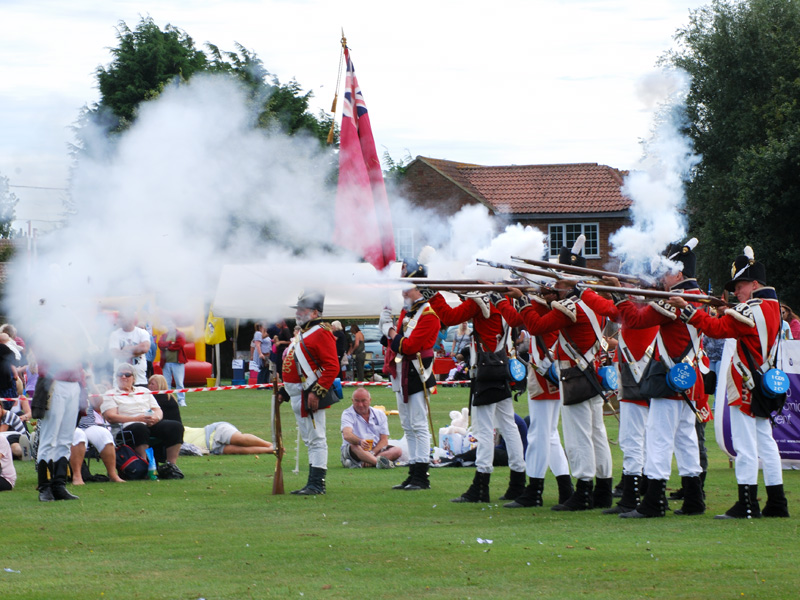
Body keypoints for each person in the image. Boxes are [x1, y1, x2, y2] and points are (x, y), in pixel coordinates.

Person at [495, 235, 618, 511]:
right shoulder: (592, 303)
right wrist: (543, 298)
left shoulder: (570, 306)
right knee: (596, 432)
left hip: (576, 376)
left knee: (579, 436)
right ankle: (603, 489)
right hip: (592, 375)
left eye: (559, 283)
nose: (555, 287)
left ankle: (584, 489)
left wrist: (526, 301)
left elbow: (537, 326)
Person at [669, 246, 789, 518]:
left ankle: (747, 504)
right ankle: (777, 503)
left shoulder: (750, 310)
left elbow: (716, 329)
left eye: (741, 285)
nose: (737, 291)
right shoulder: (770, 306)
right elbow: (740, 321)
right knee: (766, 443)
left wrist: (688, 310)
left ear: (755, 283)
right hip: (762, 383)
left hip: (747, 385)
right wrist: (727, 309)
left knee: (745, 447)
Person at [608, 238, 708, 519]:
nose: (661, 278)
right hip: (687, 379)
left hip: (669, 377)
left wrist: (622, 296)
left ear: (678, 273)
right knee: (685, 439)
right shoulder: (695, 295)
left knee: (659, 438)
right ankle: (693, 499)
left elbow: (637, 321)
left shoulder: (676, 300)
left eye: (666, 272)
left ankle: (654, 502)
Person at [427, 285, 525, 505]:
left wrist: (433, 296)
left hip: (486, 369)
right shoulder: (504, 300)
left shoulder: (482, 299)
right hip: (500, 365)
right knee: (508, 426)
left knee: (483, 429)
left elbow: (450, 317)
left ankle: (481, 485)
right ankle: (518, 482)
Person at [495, 286, 574, 509]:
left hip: (544, 373)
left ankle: (535, 489)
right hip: (552, 371)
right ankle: (565, 488)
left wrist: (503, 301)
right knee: (549, 434)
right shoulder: (552, 304)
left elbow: (515, 320)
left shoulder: (540, 305)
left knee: (539, 434)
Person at [382, 253, 440, 491]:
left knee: (418, 425)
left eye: (408, 288)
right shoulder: (408, 313)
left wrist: (390, 332)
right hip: (402, 372)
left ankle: (421, 475)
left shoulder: (428, 315)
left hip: (417, 374)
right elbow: (396, 344)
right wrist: (389, 331)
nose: (404, 293)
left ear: (419, 289)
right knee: (407, 425)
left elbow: (408, 346)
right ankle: (413, 472)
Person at [281, 291, 339, 495]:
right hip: (298, 394)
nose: (298, 312)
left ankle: (317, 483)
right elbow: (296, 366)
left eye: (302, 309)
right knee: (310, 440)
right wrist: (284, 391)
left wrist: (317, 392)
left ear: (315, 313)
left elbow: (332, 367)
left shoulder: (321, 332)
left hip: (309, 393)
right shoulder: (303, 333)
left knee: (317, 438)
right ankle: (312, 483)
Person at [101, 363, 185, 480]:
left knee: (175, 426)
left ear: (134, 378)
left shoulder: (143, 390)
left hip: (149, 422)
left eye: (127, 375)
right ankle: (144, 466)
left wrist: (156, 418)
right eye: (120, 375)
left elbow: (157, 409)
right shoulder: (111, 394)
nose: (124, 377)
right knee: (140, 428)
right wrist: (137, 419)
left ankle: (171, 466)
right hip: (126, 426)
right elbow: (111, 416)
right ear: (116, 378)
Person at [34, 359, 86, 501]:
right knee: (49, 439)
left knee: (66, 439)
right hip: (55, 382)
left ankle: (59, 485)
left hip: (74, 384)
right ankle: (45, 487)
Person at [70, 394, 126, 485]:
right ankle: (77, 476)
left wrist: (92, 384)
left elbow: (97, 405)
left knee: (105, 435)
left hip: (89, 425)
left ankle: (113, 475)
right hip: (70, 425)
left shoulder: (87, 387)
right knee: (78, 435)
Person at [340, 386, 401, 468]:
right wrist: (360, 441)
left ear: (370, 400)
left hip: (375, 451)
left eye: (363, 401)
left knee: (397, 450)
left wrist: (372, 453)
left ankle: (370, 461)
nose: (360, 405)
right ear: (352, 401)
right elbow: (347, 435)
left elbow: (384, 440)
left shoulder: (380, 414)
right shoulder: (347, 414)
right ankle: (379, 463)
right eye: (357, 401)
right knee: (354, 446)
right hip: (356, 450)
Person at [108, 313, 151, 387]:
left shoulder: (142, 333)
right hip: (121, 380)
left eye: (122, 318)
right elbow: (115, 354)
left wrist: (126, 349)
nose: (119, 320)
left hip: (140, 380)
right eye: (119, 318)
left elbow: (144, 348)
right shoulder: (115, 334)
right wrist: (137, 352)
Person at [182, 422, 274, 455]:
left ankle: (271, 445)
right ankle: (271, 449)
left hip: (213, 431)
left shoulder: (175, 428)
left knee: (239, 439)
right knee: (237, 450)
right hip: (212, 449)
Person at [157, 325, 187, 407]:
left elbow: (179, 345)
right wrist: (170, 343)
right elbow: (160, 344)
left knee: (179, 383)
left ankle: (181, 400)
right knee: (166, 383)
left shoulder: (180, 334)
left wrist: (167, 346)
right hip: (166, 362)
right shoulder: (164, 335)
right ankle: (168, 400)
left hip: (178, 362)